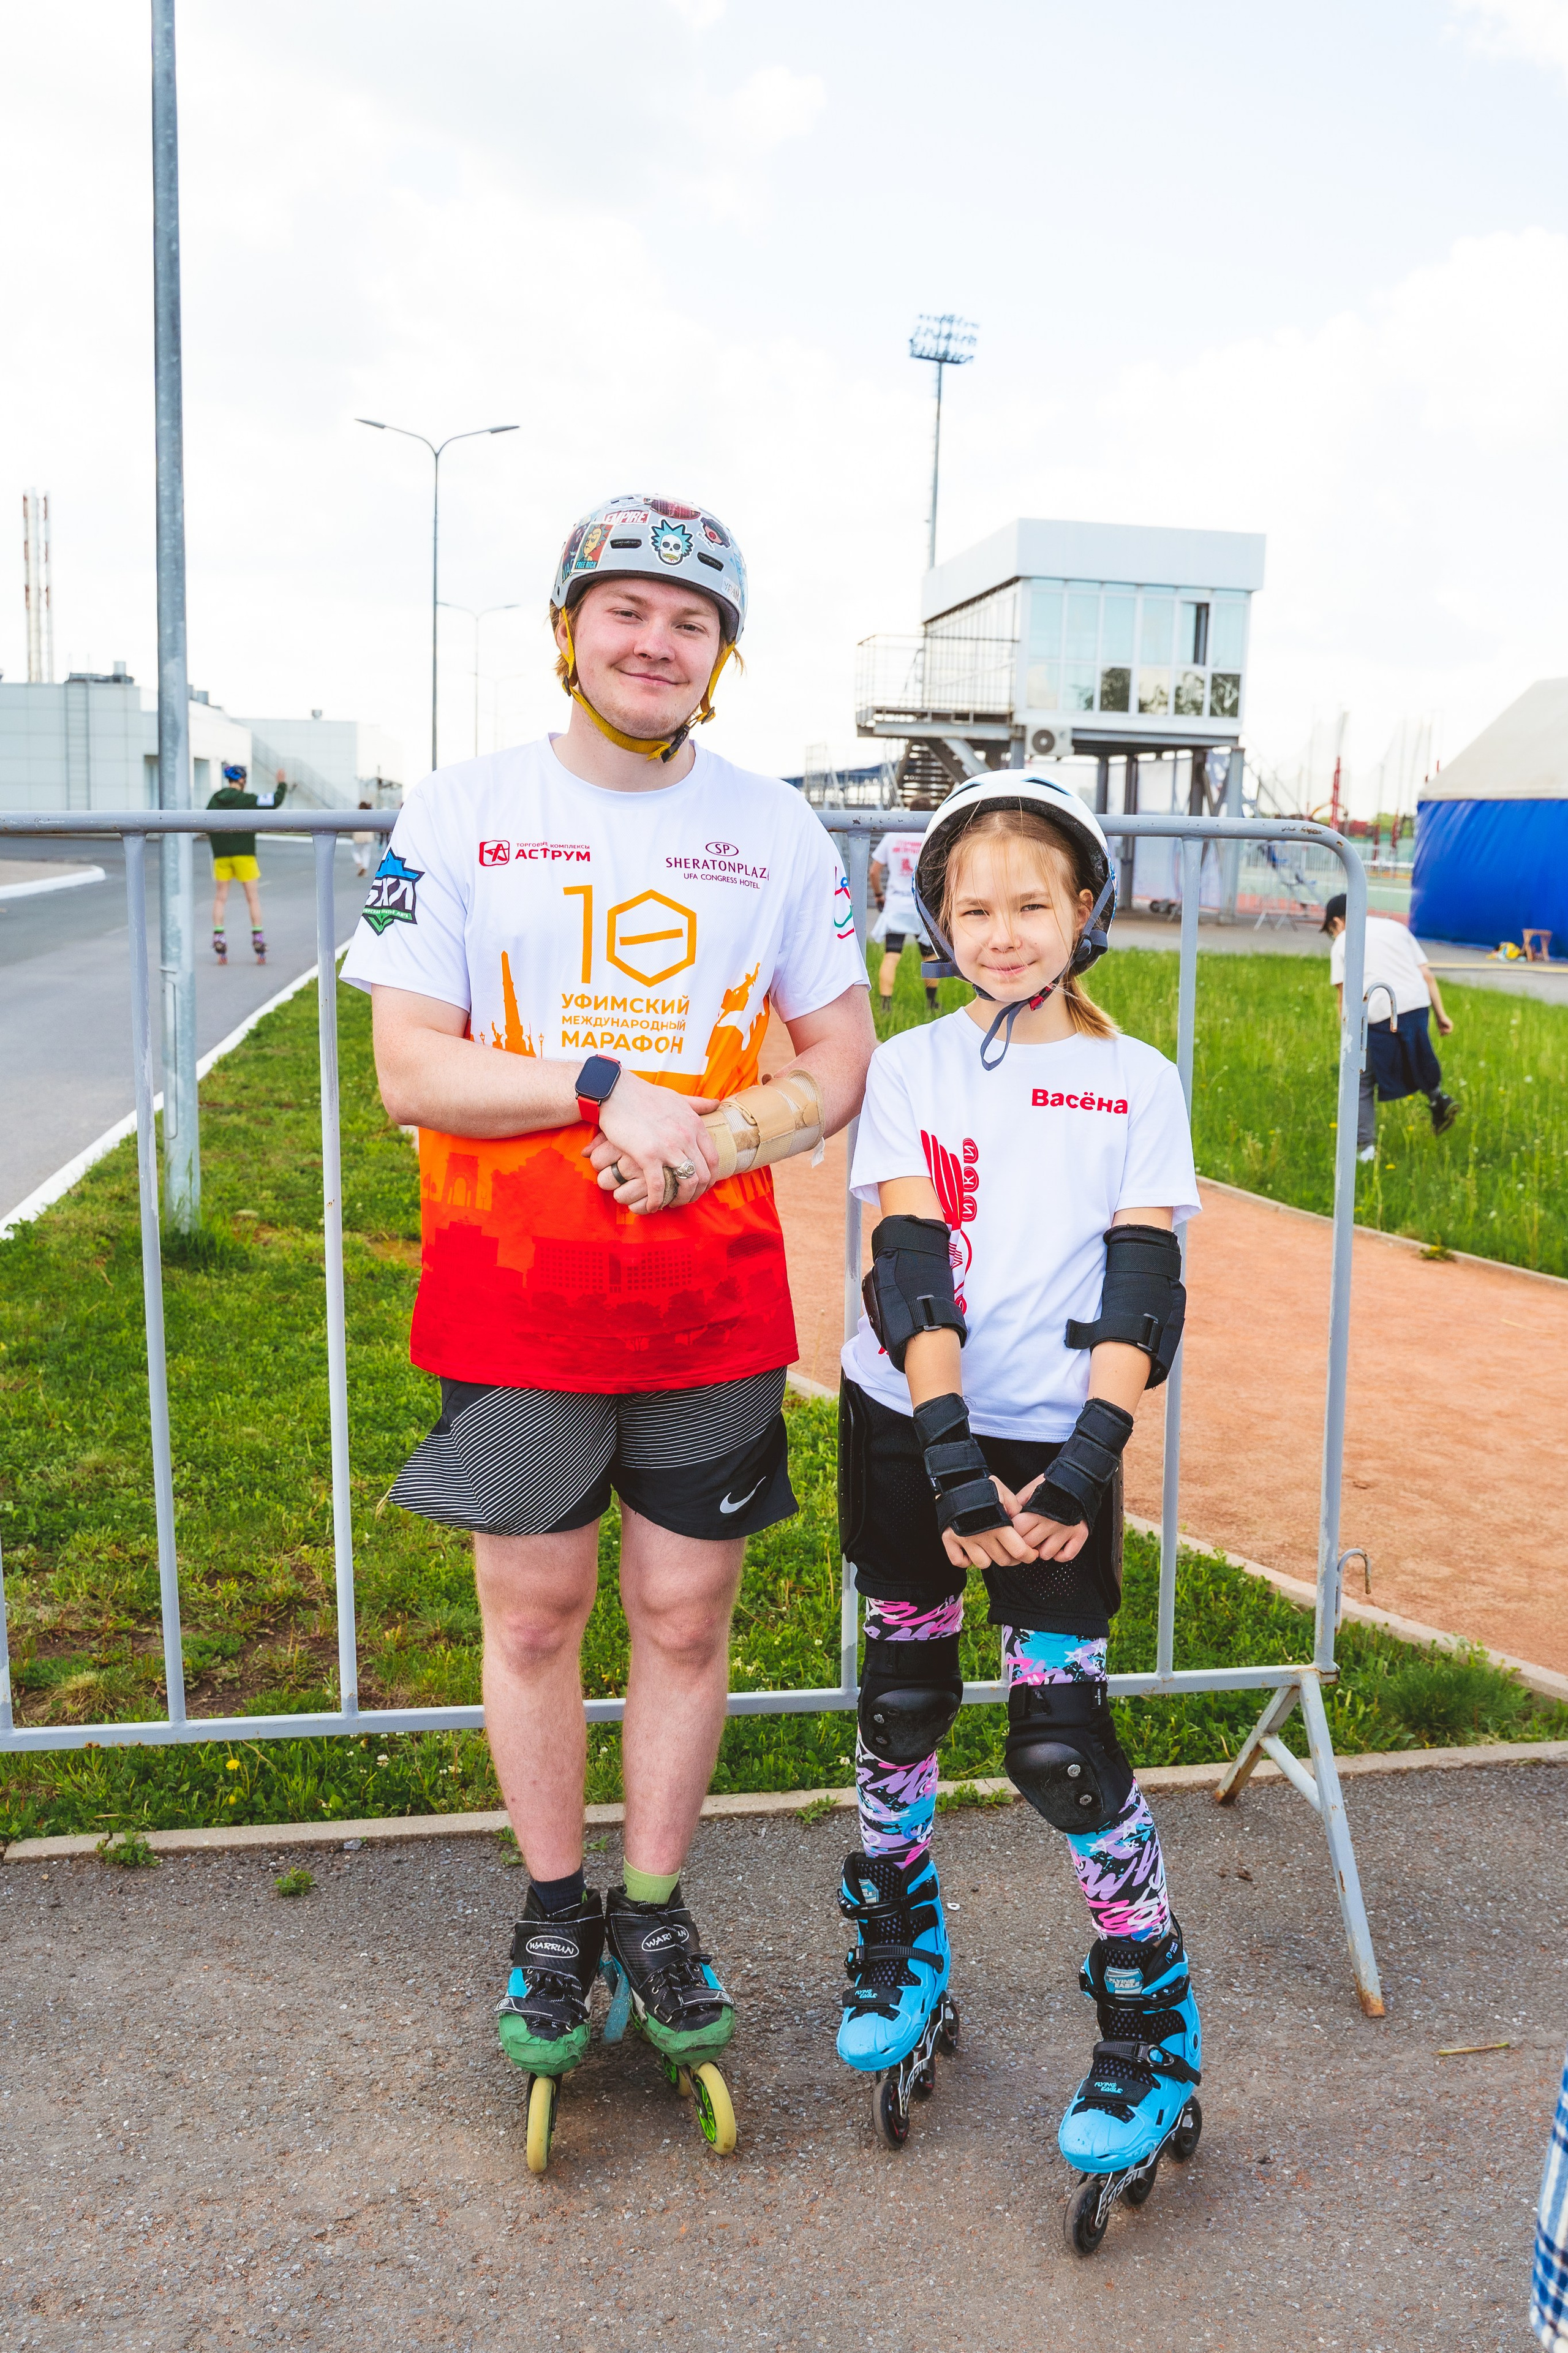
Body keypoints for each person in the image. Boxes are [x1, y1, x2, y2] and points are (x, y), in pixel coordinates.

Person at [342, 493, 873, 2107]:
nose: (656, 642)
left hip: (707, 1294)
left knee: (684, 1617)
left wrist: (717, 1134)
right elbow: (406, 1068)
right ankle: (553, 1916)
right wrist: (601, 1084)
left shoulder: (777, 826)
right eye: (626, 610)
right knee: (535, 1615)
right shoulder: (456, 808)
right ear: (569, 630)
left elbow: (839, 1054)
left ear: (721, 656)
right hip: (514, 1293)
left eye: (690, 620)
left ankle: (654, 1912)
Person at [833, 769, 1203, 2185]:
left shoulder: (1134, 1078)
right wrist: (943, 1459)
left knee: (1057, 1739)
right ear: (935, 917)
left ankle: (1149, 2013)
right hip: (911, 1425)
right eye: (971, 905)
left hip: (1061, 1441)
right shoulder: (912, 1065)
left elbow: (1140, 1287)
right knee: (903, 1697)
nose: (1001, 930)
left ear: (1082, 911)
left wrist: (1081, 1464)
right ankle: (896, 1930)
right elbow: (906, 1264)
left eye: (1029, 902)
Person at [1322, 893, 1456, 1163]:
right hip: (1418, 1004)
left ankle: (1365, 1148)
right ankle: (1438, 1100)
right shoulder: (1397, 928)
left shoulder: (1344, 942)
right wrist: (1442, 1015)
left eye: (1331, 930)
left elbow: (1344, 996)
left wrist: (1349, 1039)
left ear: (1337, 921)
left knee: (1361, 1079)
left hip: (1381, 1010)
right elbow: (1426, 974)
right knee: (1417, 1057)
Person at [206, 762, 289, 964]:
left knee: (220, 898)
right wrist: (281, 784)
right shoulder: (247, 799)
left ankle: (219, 938)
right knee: (252, 898)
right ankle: (258, 940)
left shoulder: (214, 800)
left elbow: (206, 822)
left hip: (221, 856)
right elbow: (274, 801)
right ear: (242, 780)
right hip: (245, 855)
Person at [869, 826, 937, 1014]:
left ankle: (885, 1005)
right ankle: (932, 1004)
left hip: (896, 907)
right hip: (922, 907)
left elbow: (874, 872)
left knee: (891, 956)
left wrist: (878, 895)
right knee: (929, 958)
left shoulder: (893, 835)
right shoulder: (931, 835)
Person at [351, 801, 375, 878]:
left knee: (355, 851)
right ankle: (365, 868)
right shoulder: (370, 814)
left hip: (359, 836)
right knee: (366, 853)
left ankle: (360, 864)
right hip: (368, 837)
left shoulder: (357, 814)